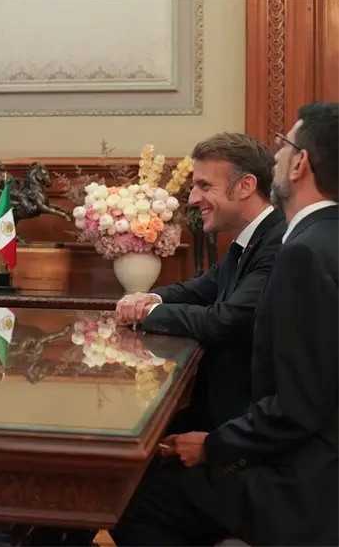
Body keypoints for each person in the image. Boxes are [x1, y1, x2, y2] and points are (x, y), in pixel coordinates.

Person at [106, 102, 339, 547]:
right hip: (299, 456)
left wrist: (215, 446)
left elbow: (299, 406)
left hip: (306, 485)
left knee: (130, 499)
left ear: (301, 164)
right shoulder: (316, 239)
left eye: (283, 147)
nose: (276, 158)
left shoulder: (303, 251)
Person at [115, 133, 285, 434]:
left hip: (245, 431)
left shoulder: (277, 242)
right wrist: (148, 298)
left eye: (204, 186)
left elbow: (228, 321)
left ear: (246, 186)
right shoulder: (248, 239)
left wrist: (146, 314)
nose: (193, 199)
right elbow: (198, 290)